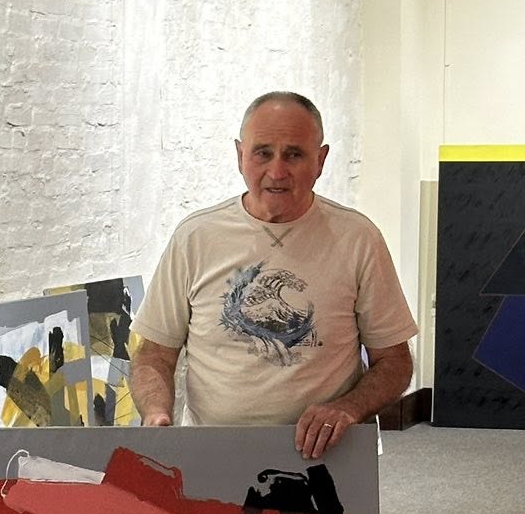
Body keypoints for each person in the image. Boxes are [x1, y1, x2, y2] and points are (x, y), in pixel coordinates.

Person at [130, 91, 417, 459]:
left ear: (320, 160)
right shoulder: (195, 238)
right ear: (240, 155)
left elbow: (394, 362)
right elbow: (154, 354)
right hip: (212, 454)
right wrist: (156, 414)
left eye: (294, 154)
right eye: (262, 153)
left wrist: (348, 408)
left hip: (326, 456)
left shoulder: (358, 239)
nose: (277, 172)